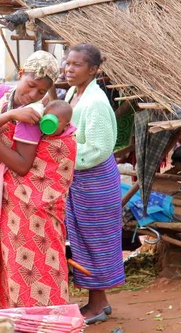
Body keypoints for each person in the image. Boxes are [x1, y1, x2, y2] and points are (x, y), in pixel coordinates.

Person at [0, 51, 77, 311]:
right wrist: (10, 116)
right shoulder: (2, 94)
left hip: (27, 199)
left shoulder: (34, 115)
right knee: (13, 261)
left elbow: (23, 165)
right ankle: (17, 316)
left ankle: (45, 319)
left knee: (33, 261)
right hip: (5, 193)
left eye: (41, 92)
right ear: (21, 73)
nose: (33, 95)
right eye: (31, 85)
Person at [63, 43, 124, 324]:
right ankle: (100, 301)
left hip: (94, 180)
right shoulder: (74, 94)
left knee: (94, 241)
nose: (68, 68)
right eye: (67, 62)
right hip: (80, 179)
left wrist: (62, 160)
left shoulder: (96, 102)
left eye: (76, 64)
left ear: (93, 70)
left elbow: (99, 148)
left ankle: (97, 305)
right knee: (84, 241)